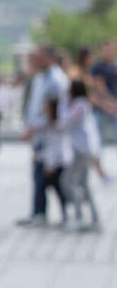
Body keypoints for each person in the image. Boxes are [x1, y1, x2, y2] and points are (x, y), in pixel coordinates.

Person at [18, 44, 72, 228]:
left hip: (50, 136)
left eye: (38, 56)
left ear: (48, 57)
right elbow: (35, 106)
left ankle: (51, 212)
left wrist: (34, 129)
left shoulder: (56, 80)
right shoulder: (40, 77)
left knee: (50, 175)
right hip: (40, 135)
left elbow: (52, 113)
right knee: (42, 175)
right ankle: (40, 212)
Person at [60, 80, 102, 229]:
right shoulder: (82, 104)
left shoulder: (79, 105)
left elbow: (65, 122)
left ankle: (79, 215)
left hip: (81, 149)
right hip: (82, 148)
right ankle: (94, 216)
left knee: (69, 181)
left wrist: (63, 103)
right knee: (83, 184)